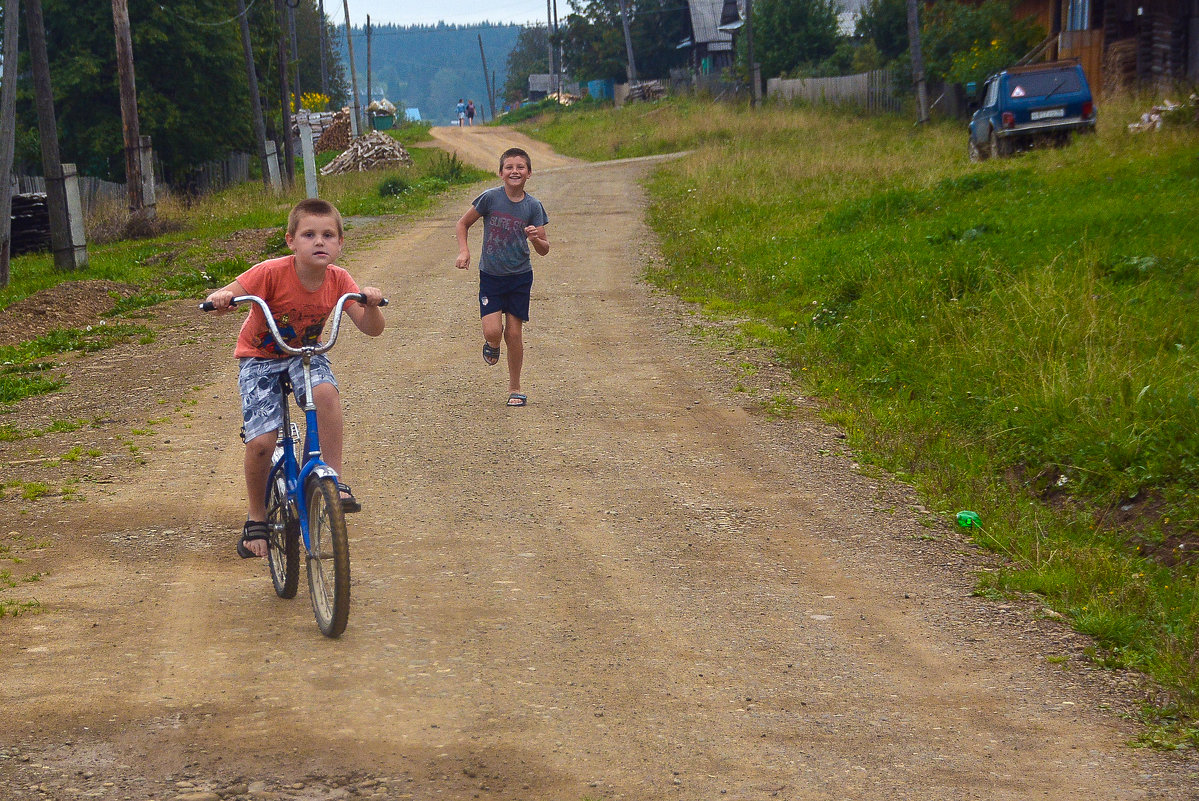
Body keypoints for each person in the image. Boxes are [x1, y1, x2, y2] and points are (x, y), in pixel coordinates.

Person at [204, 198, 386, 558]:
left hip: (305, 354)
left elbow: (370, 329)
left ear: (339, 244)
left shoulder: (339, 279)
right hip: (260, 358)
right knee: (261, 443)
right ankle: (256, 516)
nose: (319, 242)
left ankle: (331, 479)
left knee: (326, 394)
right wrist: (223, 297)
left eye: (328, 235)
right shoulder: (269, 272)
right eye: (309, 235)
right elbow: (224, 295)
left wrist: (372, 306)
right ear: (291, 241)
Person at [454, 147, 549, 407]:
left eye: (520, 167)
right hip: (491, 276)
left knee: (515, 334)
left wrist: (535, 238)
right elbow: (462, 224)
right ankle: (492, 344)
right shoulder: (489, 199)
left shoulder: (533, 206)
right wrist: (465, 251)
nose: (514, 171)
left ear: (529, 173)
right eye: (509, 167)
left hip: (520, 277)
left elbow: (544, 249)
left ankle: (515, 388)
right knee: (494, 330)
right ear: (500, 172)